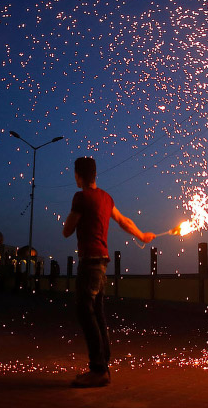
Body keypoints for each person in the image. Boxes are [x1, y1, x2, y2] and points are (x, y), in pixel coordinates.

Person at [62, 156, 155, 388]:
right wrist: (142, 235)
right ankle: (103, 363)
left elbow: (66, 230)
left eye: (75, 173)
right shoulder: (106, 198)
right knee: (97, 313)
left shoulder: (81, 197)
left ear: (79, 175)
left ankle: (99, 369)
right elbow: (124, 221)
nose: (74, 177)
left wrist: (74, 219)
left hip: (90, 261)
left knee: (85, 312)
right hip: (103, 262)